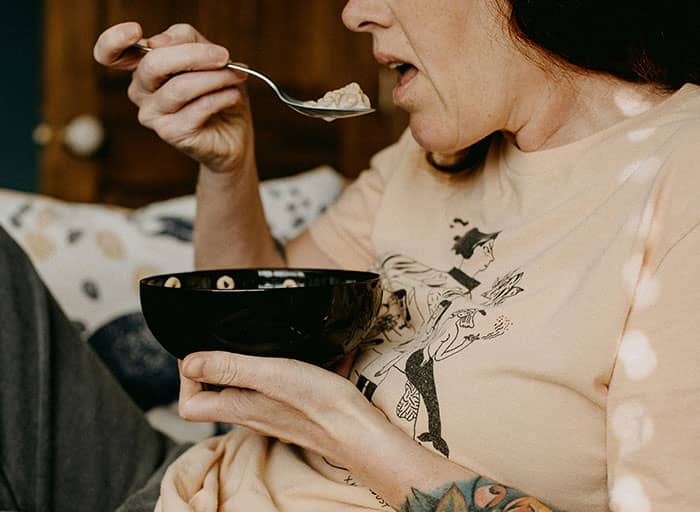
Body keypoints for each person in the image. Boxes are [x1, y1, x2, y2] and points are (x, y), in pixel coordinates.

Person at [2, 0, 699, 510]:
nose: (354, 13)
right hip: (182, 486)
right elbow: (256, 327)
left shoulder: (681, 178)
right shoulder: (426, 155)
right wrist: (227, 164)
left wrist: (341, 428)